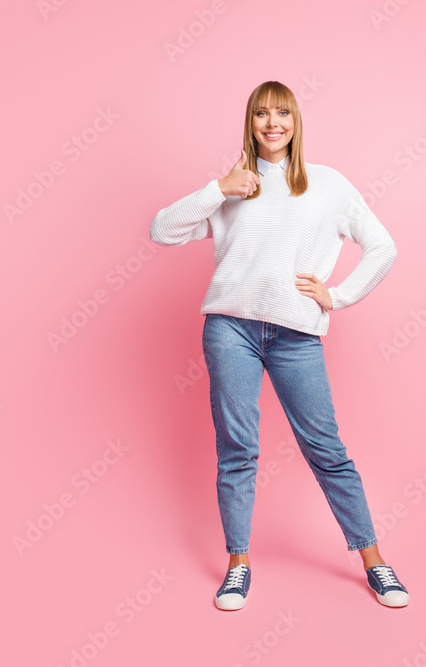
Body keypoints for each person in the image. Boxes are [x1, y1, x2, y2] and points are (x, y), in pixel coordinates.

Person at [150, 80, 408, 610]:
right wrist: (218, 188)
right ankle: (238, 565)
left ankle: (375, 561)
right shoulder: (235, 187)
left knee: (326, 450)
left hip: (296, 336)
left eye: (282, 114)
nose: (273, 124)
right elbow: (162, 230)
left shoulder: (327, 185)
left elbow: (383, 246)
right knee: (238, 450)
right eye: (262, 114)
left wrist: (337, 295)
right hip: (230, 330)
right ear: (250, 122)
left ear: (295, 122)